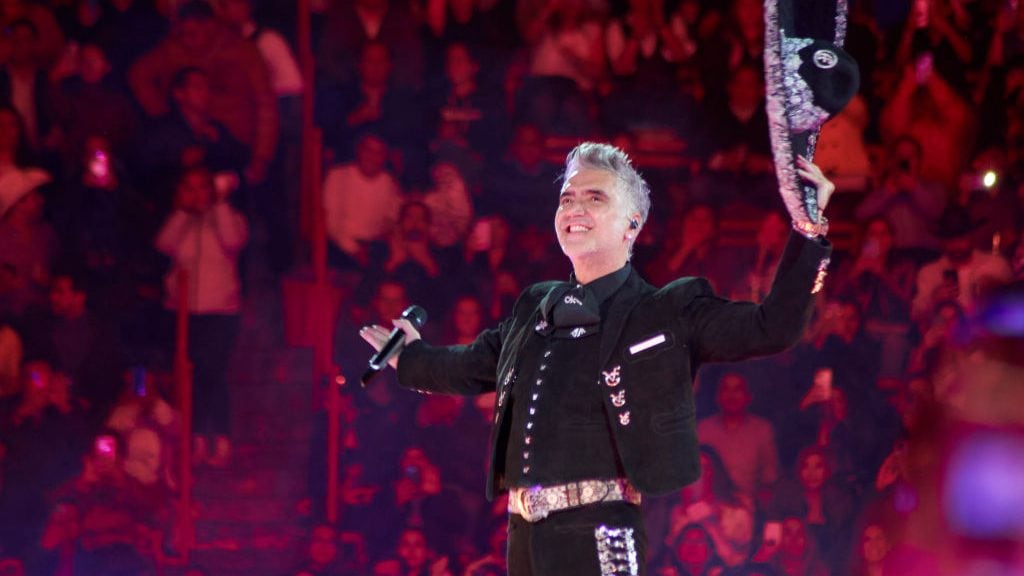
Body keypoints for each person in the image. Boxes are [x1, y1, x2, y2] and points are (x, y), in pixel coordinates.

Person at [360, 142, 835, 574]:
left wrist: (808, 232)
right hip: (524, 535)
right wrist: (409, 357)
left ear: (633, 223)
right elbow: (471, 365)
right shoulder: (534, 308)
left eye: (595, 197)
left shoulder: (663, 310)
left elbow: (772, 327)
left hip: (601, 532)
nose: (575, 207)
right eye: (568, 197)